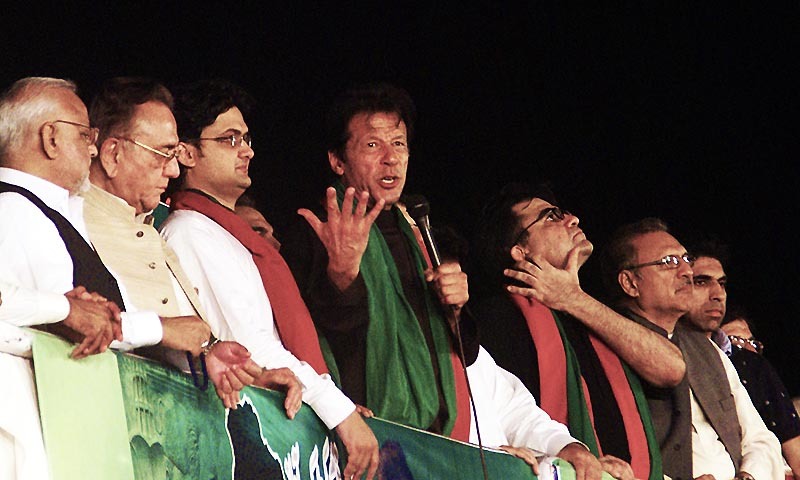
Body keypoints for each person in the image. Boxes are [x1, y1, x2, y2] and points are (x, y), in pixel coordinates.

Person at [281, 83, 609, 478]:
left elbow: (466, 358)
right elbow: (304, 342)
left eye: (399, 145)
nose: (391, 160)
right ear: (337, 160)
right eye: (372, 146)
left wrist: (457, 306)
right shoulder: (313, 231)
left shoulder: (419, 235)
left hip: (438, 448)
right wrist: (343, 276)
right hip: (362, 446)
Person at [159, 79, 379, 480]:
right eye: (229, 139)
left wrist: (333, 402)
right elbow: (250, 346)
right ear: (186, 153)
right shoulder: (190, 231)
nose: (247, 150)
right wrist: (338, 411)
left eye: (246, 138)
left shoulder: (233, 236)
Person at [84, 76, 301, 411]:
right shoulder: (75, 225)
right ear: (112, 153)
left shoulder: (152, 234)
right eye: (162, 154)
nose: (173, 170)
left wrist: (248, 376)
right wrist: (165, 330)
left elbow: (183, 340)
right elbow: (70, 322)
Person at [471, 182, 686, 480]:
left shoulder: (593, 315)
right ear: (521, 251)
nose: (572, 219)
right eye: (551, 216)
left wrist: (573, 298)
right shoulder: (494, 319)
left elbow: (672, 368)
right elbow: (502, 418)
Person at [600, 217, 783, 480]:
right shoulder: (607, 349)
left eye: (685, 260)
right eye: (669, 262)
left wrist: (749, 476)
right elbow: (610, 454)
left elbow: (759, 437)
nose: (686, 271)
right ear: (630, 283)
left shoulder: (709, 349)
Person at [683, 239, 800, 477]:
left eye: (722, 284)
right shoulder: (657, 350)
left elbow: (766, 439)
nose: (717, 294)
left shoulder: (749, 364)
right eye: (701, 281)